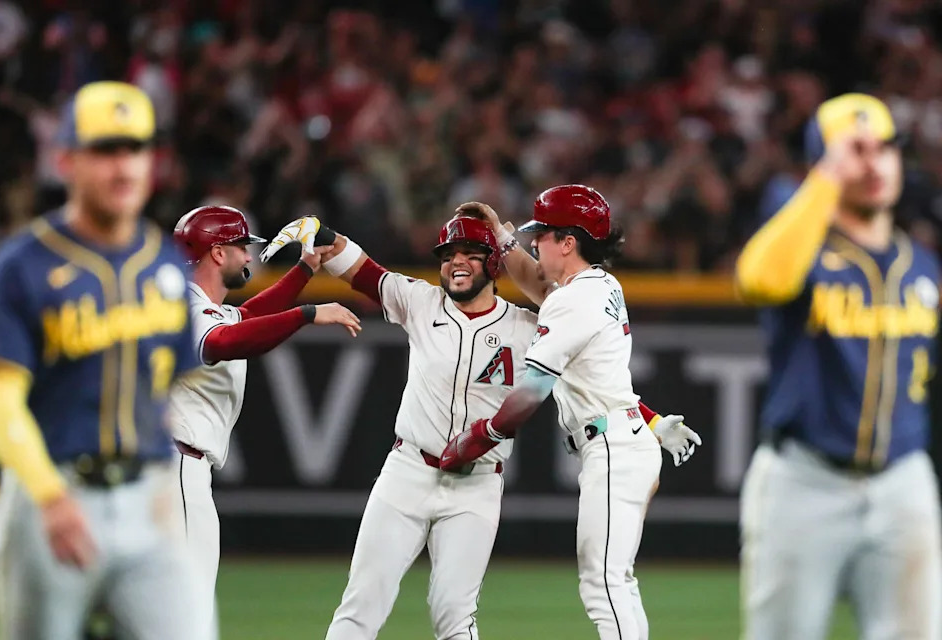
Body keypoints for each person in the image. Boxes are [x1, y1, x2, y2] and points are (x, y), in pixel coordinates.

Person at [260, 207, 696, 640]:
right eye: (448, 254)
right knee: (360, 606)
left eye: (469, 252)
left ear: (492, 263)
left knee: (454, 617)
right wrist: (323, 232)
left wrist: (650, 421)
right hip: (408, 472)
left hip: (477, 485)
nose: (456, 262)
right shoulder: (420, 300)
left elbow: (594, 387)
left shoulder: (529, 326)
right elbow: (362, 271)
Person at [0, 81, 211, 639]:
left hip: (145, 503)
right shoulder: (22, 266)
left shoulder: (162, 260)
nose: (123, 166)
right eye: (105, 150)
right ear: (65, 161)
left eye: (134, 149)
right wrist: (47, 496)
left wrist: (160, 483)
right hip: (51, 498)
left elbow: (158, 394)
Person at [439, 185, 701, 639]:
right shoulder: (598, 286)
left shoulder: (574, 299)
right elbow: (544, 290)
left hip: (614, 448)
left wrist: (479, 438)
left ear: (568, 242)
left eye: (542, 235)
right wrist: (503, 237)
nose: (534, 243)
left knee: (603, 583)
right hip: (624, 437)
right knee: (616, 581)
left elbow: (535, 386)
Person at [735, 93, 942, 639]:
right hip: (804, 480)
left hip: (904, 479)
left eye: (884, 148)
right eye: (854, 150)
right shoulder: (801, 253)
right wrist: (826, 180)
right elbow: (759, 279)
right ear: (822, 165)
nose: (873, 163)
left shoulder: (921, 263)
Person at [168, 206, 361, 628]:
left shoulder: (195, 302)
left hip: (175, 467)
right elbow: (225, 341)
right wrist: (306, 314)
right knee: (189, 610)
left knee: (170, 607)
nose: (249, 256)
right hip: (176, 466)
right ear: (218, 254)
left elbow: (247, 317)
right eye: (241, 247)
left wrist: (307, 268)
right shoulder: (183, 304)